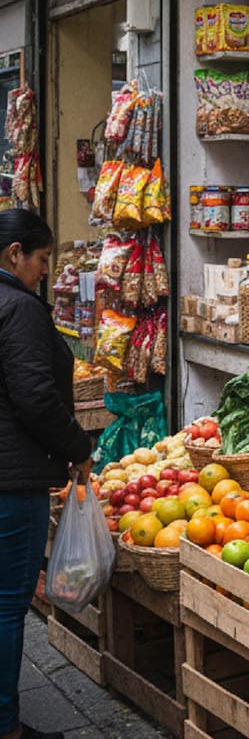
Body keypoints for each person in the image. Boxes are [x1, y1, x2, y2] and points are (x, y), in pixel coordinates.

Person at [0, 209, 93, 739]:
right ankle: (6, 724)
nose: (44, 272)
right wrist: (78, 448)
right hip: (12, 483)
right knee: (8, 605)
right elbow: (36, 399)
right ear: (16, 255)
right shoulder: (19, 308)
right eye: (40, 260)